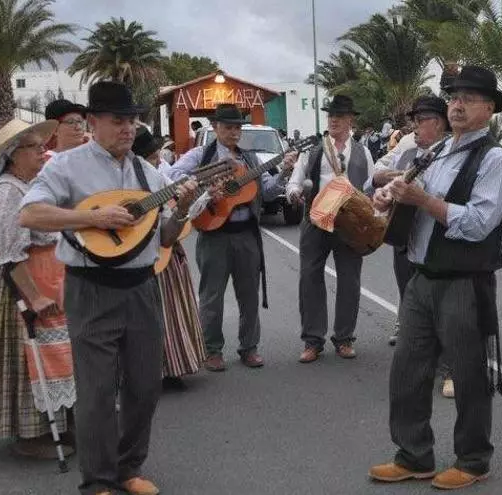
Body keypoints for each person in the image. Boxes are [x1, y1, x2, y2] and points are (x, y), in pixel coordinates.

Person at [19, 80, 198, 495]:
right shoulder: (66, 166)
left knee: (144, 386)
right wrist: (91, 219)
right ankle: (98, 481)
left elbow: (164, 237)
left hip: (142, 287)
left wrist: (183, 209)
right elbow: (30, 214)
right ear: (93, 122)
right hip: (91, 288)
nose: (127, 128)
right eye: (118, 120)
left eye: (131, 120)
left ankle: (128, 469)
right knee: (97, 391)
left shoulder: (147, 173)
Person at [368, 65, 502, 490]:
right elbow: (407, 194)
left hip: (464, 282)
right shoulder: (436, 151)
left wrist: (423, 200)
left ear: (489, 109)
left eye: (468, 98)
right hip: (421, 279)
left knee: (469, 377)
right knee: (407, 371)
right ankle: (413, 455)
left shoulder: (495, 160)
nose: (457, 105)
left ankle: (473, 460)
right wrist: (388, 198)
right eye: (453, 97)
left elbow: (478, 224)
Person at [0, 117, 76, 460]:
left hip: (44, 278)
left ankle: (56, 424)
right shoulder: (7, 190)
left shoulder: (28, 185)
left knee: (51, 356)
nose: (42, 152)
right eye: (34, 148)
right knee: (25, 358)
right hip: (18, 285)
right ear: (13, 155)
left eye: (42, 146)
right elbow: (9, 252)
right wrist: (34, 296)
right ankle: (31, 436)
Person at [168, 104, 292, 371]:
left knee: (249, 296)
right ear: (215, 127)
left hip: (246, 234)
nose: (234, 132)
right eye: (228, 127)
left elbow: (268, 192)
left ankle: (249, 347)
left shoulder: (250, 160)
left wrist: (284, 172)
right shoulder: (201, 154)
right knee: (211, 296)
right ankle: (212, 350)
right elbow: (171, 176)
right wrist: (208, 180)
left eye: (237, 127)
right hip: (214, 233)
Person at [364, 95, 455, 398]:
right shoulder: (406, 150)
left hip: (438, 243)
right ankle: (422, 364)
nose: (414, 127)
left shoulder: (452, 155)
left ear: (438, 123)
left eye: (420, 121)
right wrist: (385, 192)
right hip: (404, 238)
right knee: (412, 303)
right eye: (413, 121)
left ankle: (450, 369)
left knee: (444, 308)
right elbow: (377, 177)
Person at [285, 94, 374, 363]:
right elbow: (294, 181)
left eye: (340, 116)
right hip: (315, 220)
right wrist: (294, 193)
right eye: (331, 115)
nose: (333, 120)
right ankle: (312, 341)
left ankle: (344, 338)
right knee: (310, 278)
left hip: (349, 224)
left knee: (350, 281)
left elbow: (370, 187)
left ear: (350, 120)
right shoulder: (313, 150)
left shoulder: (363, 152)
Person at [130, 127, 205, 391]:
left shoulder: (157, 177)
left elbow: (175, 215)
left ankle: (173, 367)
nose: (158, 161)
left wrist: (199, 198)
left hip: (165, 253)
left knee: (172, 312)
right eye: (152, 157)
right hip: (137, 257)